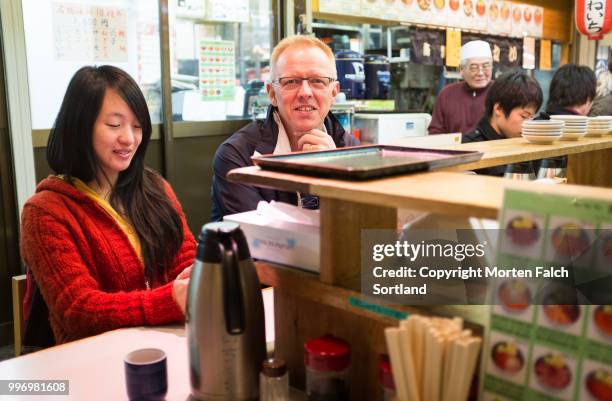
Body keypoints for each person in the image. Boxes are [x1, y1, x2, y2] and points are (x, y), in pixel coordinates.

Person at [20, 66, 196, 345]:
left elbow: (185, 257)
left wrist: (198, 277)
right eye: (114, 125)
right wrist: (168, 300)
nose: (129, 138)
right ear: (80, 126)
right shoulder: (45, 212)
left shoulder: (155, 189)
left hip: (168, 344)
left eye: (137, 126)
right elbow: (79, 311)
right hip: (95, 361)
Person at [211, 35, 359, 221]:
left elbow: (363, 228)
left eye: (317, 81)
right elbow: (261, 240)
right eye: (291, 81)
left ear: (334, 93)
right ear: (272, 93)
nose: (305, 92)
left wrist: (335, 178)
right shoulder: (237, 155)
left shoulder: (351, 150)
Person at [463, 70, 543, 176]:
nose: (528, 124)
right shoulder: (470, 149)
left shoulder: (525, 142)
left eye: (531, 118)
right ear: (499, 109)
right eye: (524, 116)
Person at [428, 40, 494, 136]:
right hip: (454, 149)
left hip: (494, 150)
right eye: (474, 67)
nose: (480, 73)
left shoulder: (501, 91)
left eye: (486, 66)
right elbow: (435, 131)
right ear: (461, 70)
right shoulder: (447, 94)